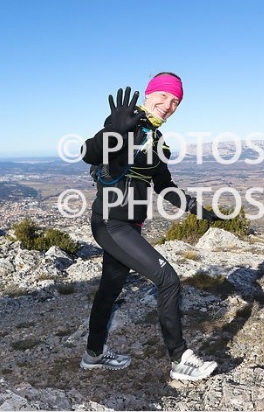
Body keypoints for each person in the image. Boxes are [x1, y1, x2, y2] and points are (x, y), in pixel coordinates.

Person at [79, 72, 220, 381]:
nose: (168, 104)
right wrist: (114, 130)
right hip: (111, 223)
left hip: (130, 224)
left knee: (110, 289)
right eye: (164, 96)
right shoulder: (126, 121)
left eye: (176, 101)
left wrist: (196, 208)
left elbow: (163, 184)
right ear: (149, 93)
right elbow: (89, 152)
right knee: (168, 278)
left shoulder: (154, 138)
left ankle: (94, 354)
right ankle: (180, 358)